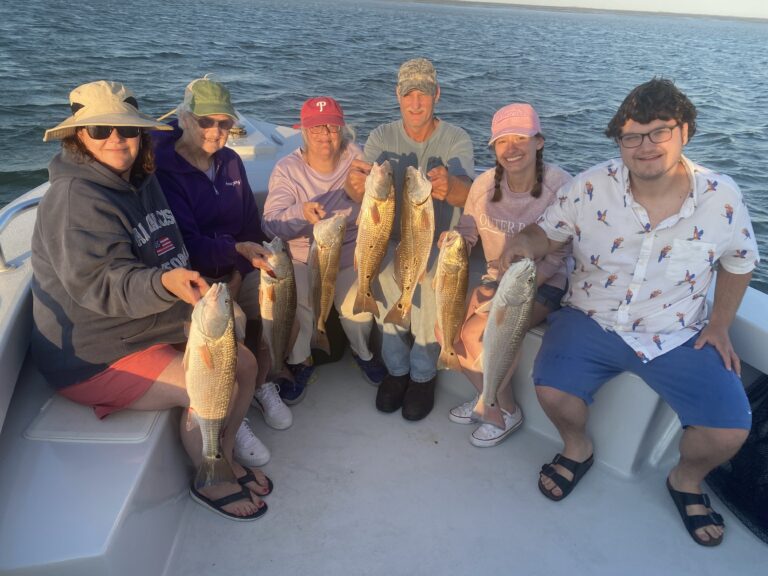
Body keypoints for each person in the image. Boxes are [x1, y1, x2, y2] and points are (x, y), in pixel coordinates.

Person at [500, 78, 760, 546]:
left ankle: (684, 478)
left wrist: (720, 324)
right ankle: (578, 448)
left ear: (686, 132)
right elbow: (548, 235)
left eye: (660, 131)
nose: (645, 146)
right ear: (618, 140)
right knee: (554, 393)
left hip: (678, 330)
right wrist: (524, 244)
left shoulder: (722, 197)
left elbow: (738, 263)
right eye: (631, 135)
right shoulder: (589, 187)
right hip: (591, 316)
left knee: (729, 430)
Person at [32, 80, 273, 521]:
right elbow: (101, 285)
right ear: (78, 137)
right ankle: (211, 473)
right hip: (97, 348)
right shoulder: (74, 199)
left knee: (247, 365)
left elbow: (170, 244)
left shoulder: (142, 179)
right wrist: (166, 285)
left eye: (127, 129)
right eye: (101, 130)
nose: (117, 139)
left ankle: (220, 453)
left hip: (148, 319)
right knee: (206, 387)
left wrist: (203, 277)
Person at [153, 77, 293, 442]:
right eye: (206, 121)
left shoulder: (230, 162)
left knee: (278, 305)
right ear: (185, 118)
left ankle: (262, 385)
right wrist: (233, 259)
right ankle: (232, 411)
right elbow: (186, 242)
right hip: (195, 277)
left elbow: (250, 225)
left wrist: (243, 268)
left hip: (235, 266)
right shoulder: (165, 171)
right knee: (234, 324)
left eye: (225, 123)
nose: (216, 132)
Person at [345, 57, 475, 421]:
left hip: (438, 242)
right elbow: (360, 191)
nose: (416, 102)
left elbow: (469, 195)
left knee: (432, 288)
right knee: (383, 284)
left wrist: (453, 188)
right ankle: (397, 370)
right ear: (397, 96)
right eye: (408, 94)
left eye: (424, 94)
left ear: (438, 95)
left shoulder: (456, 138)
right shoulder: (381, 137)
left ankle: (422, 375)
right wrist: (354, 187)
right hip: (389, 239)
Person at [448, 103, 572, 447]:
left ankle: (505, 410)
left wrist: (512, 290)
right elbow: (469, 229)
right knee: (450, 334)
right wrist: (457, 238)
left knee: (483, 335)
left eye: (521, 138)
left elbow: (559, 252)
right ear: (493, 148)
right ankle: (485, 400)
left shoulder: (561, 185)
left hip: (542, 284)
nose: (512, 148)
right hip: (495, 280)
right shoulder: (484, 185)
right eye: (503, 141)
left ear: (539, 142)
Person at [263, 96, 388, 403]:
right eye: (316, 128)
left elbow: (378, 207)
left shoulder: (355, 157)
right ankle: (302, 359)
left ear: (342, 129)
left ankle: (363, 352)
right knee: (301, 300)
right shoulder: (287, 169)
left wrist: (359, 194)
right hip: (305, 256)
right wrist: (300, 214)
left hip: (348, 252)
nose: (324, 135)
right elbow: (270, 224)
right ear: (303, 131)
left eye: (331, 127)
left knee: (357, 301)